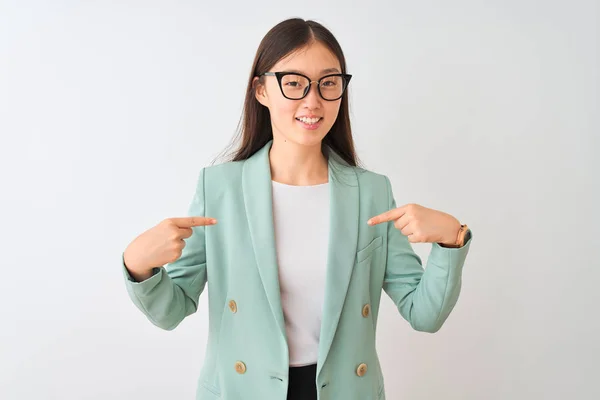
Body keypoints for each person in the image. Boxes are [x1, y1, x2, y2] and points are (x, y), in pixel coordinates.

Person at [122, 17, 473, 400]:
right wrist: (140, 266)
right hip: (243, 390)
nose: (312, 101)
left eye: (328, 83)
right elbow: (171, 310)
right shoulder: (219, 188)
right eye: (293, 83)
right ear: (261, 90)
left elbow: (424, 314)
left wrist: (450, 241)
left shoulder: (372, 192)